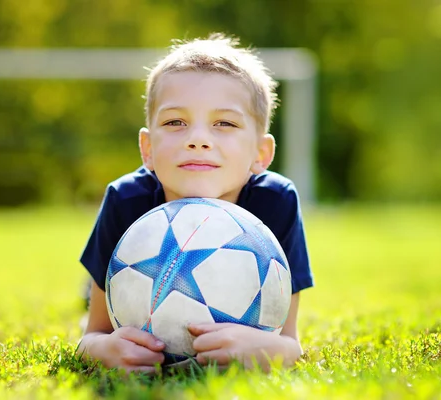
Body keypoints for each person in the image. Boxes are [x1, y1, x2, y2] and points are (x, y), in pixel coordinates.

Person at [77, 33, 314, 374]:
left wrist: (264, 348)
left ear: (261, 153)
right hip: (130, 280)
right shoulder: (126, 199)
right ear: (148, 149)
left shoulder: (276, 201)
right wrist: (104, 349)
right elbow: (92, 336)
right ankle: (98, 284)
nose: (198, 139)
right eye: (176, 122)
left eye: (224, 123)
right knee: (99, 295)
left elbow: (289, 343)